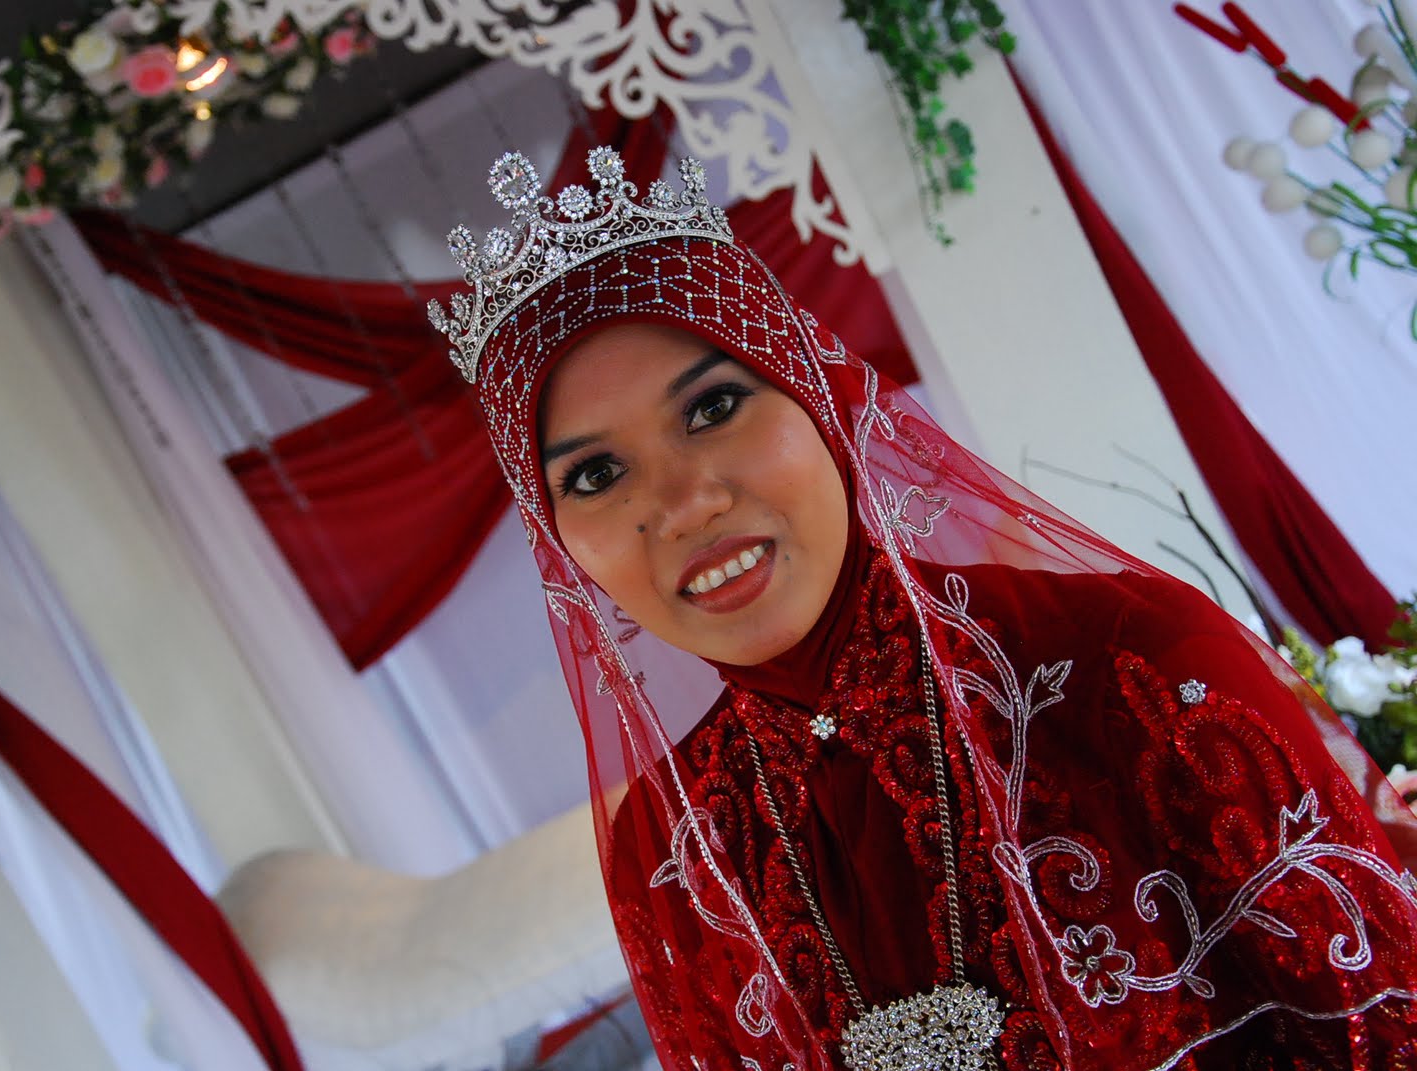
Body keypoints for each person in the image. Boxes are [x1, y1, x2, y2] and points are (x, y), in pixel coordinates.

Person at [428, 147, 1417, 1069]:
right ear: (558, 544)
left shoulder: (1137, 666)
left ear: (816, 398)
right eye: (596, 475)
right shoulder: (673, 850)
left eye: (713, 407)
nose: (685, 503)